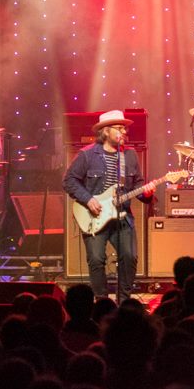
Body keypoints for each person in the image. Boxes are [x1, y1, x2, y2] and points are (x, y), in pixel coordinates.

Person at [63, 110, 155, 303]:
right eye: (119, 128)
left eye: (125, 128)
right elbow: (69, 181)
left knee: (129, 257)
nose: (124, 132)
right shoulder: (87, 155)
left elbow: (138, 185)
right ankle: (102, 302)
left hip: (122, 217)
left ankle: (124, 303)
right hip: (94, 216)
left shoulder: (130, 156)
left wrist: (147, 193)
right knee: (96, 260)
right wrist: (88, 199)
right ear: (105, 131)